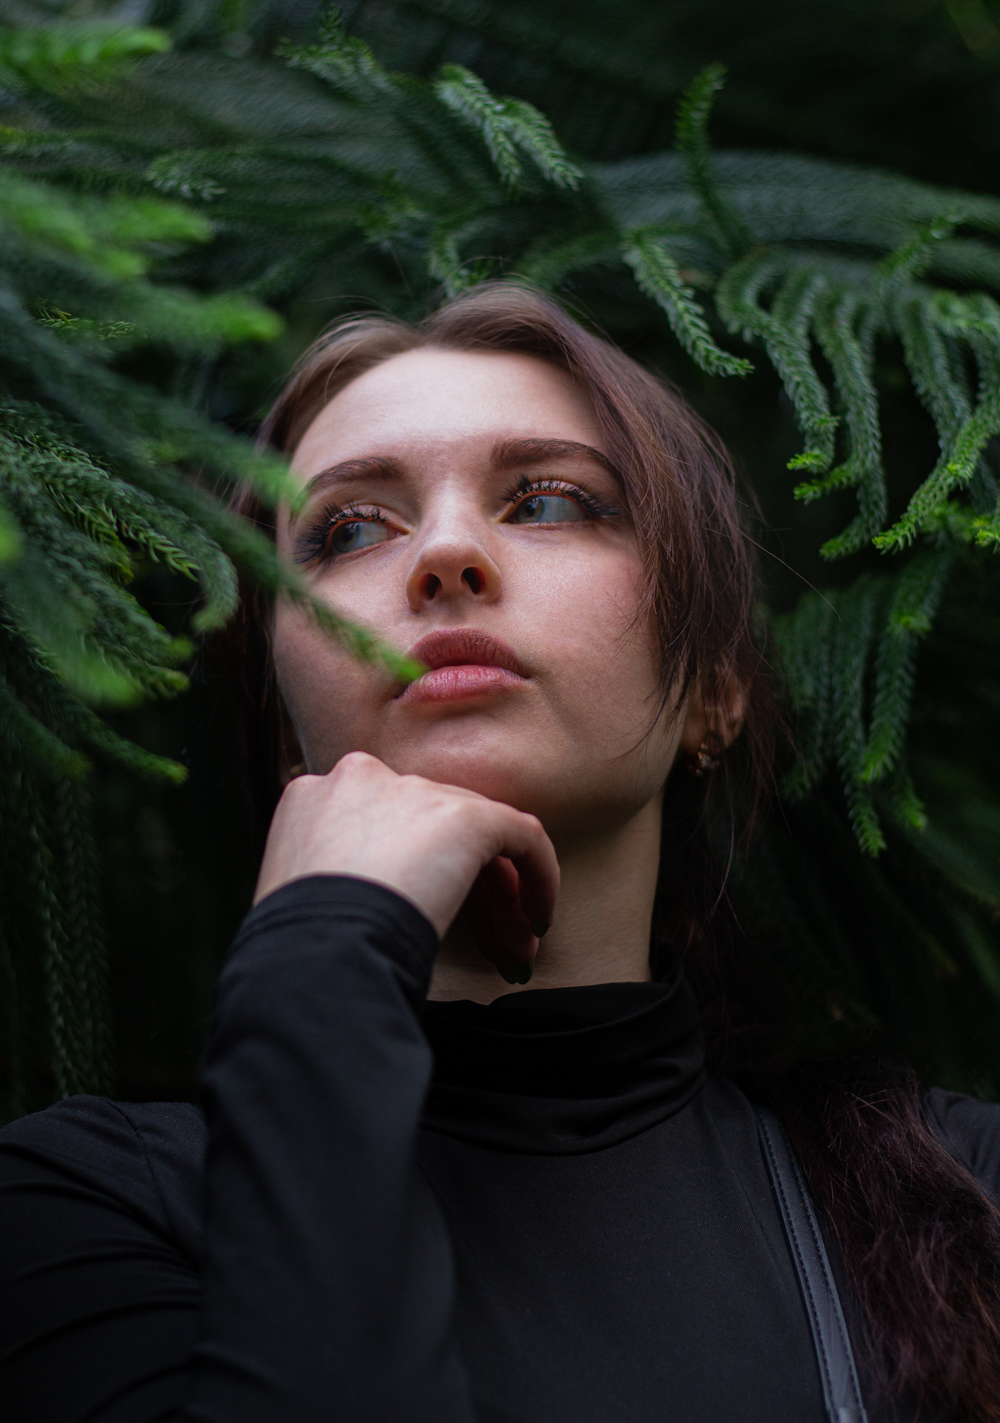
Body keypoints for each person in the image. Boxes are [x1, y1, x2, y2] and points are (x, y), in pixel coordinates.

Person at [2, 283, 1000, 1423]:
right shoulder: (82, 1207)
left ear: (713, 695)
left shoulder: (962, 1204)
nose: (444, 554)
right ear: (287, 730)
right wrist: (314, 961)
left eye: (550, 501)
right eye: (347, 529)